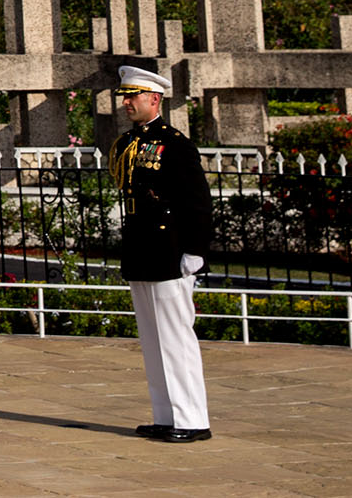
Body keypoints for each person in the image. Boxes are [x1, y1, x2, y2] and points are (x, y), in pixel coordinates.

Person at [112, 64, 212, 444]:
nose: (127, 103)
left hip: (170, 249)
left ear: (154, 99)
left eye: (133, 96)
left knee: (175, 337)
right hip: (142, 247)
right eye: (125, 96)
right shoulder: (129, 142)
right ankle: (166, 415)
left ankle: (192, 418)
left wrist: (195, 251)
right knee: (152, 339)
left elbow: (198, 202)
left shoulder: (176, 144)